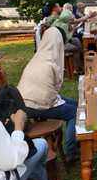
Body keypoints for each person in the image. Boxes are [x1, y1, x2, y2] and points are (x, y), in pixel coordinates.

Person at [18, 27, 79, 161]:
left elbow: (48, 91)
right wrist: (58, 101)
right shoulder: (48, 63)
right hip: (34, 104)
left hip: (28, 98)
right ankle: (71, 150)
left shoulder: (40, 55)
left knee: (78, 105)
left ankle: (76, 139)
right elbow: (48, 99)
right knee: (75, 112)